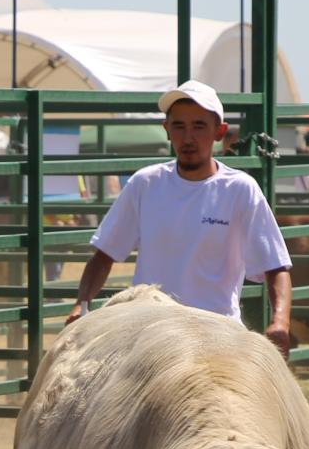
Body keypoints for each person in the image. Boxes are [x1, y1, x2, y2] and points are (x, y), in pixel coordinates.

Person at [66, 80, 293, 356]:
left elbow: (276, 265)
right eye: (179, 126)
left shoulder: (240, 190)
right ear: (167, 130)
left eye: (199, 126)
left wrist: (280, 322)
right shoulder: (145, 184)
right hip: (149, 333)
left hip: (217, 335)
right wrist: (82, 304)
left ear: (219, 132)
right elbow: (104, 254)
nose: (188, 138)